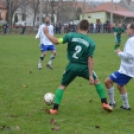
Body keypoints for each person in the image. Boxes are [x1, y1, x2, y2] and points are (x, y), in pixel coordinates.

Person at [43, 19, 113, 114]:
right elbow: (90, 59)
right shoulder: (91, 42)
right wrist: (91, 75)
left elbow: (56, 41)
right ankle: (104, 103)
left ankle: (54, 109)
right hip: (84, 67)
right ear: (88, 28)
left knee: (62, 86)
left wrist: (47, 34)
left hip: (72, 66)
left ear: (78, 27)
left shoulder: (71, 35)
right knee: (97, 82)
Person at [105, 23, 134, 110]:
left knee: (107, 81)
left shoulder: (131, 40)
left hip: (127, 70)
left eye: (127, 28)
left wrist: (119, 53)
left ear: (132, 30)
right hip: (129, 69)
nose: (126, 30)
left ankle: (112, 103)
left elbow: (130, 55)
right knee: (120, 86)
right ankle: (126, 106)